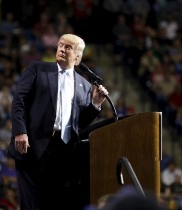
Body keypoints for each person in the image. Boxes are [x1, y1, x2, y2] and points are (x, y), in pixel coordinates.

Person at [8, 33, 108, 210]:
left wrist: (95, 104)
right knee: (31, 204)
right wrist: (20, 131)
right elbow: (19, 101)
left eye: (68, 47)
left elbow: (79, 123)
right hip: (32, 145)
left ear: (77, 57)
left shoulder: (84, 86)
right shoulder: (38, 69)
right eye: (60, 45)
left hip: (63, 152)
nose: (62, 49)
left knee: (54, 203)